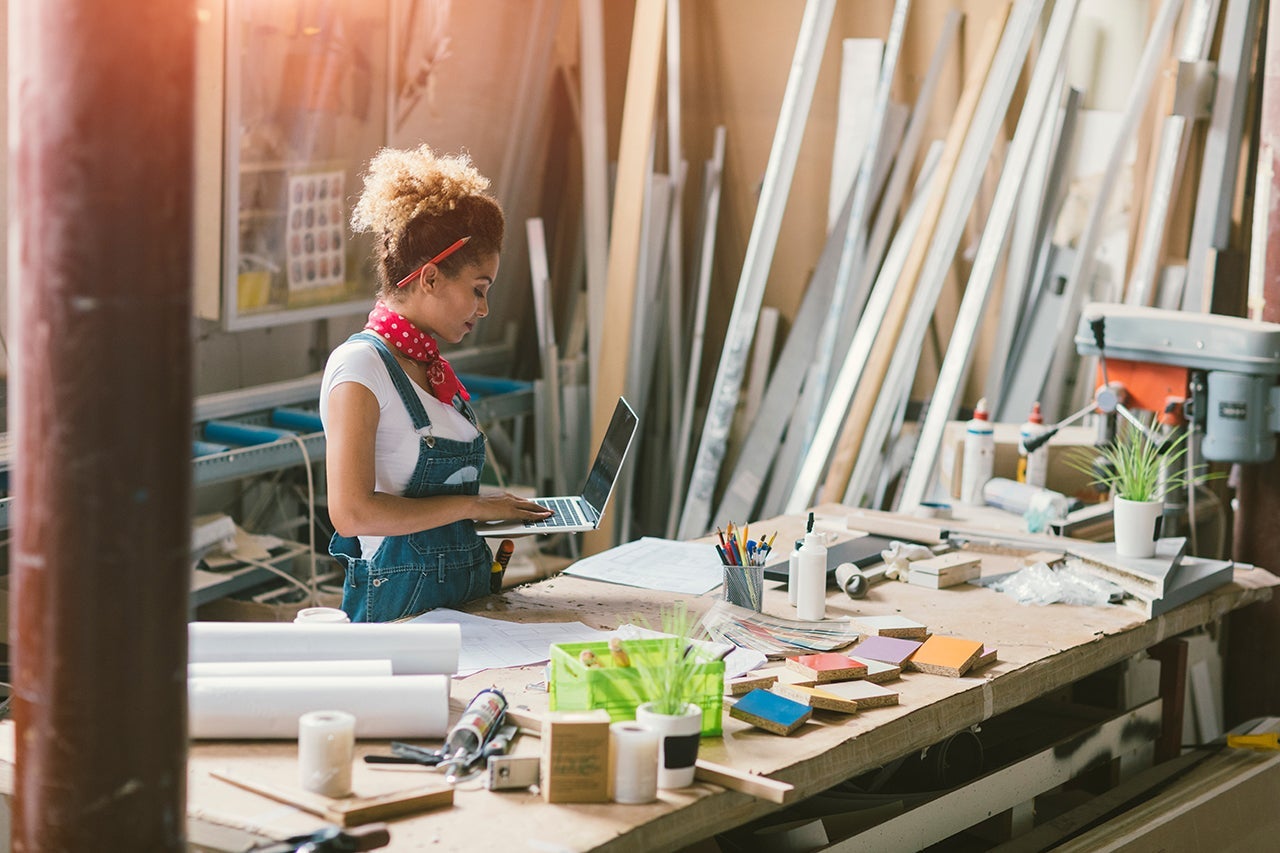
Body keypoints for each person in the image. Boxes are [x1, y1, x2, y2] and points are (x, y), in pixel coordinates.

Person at [320, 145, 551, 622]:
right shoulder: (361, 368)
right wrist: (472, 507)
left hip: (462, 610)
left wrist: (490, 508)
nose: (484, 309)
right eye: (478, 290)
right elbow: (353, 513)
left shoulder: (431, 368)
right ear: (429, 278)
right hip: (397, 620)